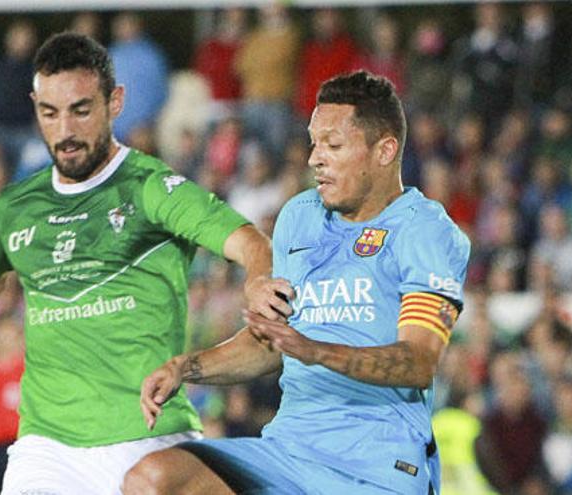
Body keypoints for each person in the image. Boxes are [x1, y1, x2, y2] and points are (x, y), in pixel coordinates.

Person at [0, 32, 287, 494]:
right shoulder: (18, 205)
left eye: (81, 110)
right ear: (35, 106)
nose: (65, 131)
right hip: (47, 446)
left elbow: (248, 241)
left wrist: (259, 280)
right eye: (50, 113)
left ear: (113, 103)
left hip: (146, 436)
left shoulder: (150, 187)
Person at [123, 71, 471, 495]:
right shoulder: (299, 217)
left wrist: (315, 350)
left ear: (384, 151)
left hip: (378, 465)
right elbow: (270, 343)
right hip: (288, 455)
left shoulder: (425, 230)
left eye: (334, 145)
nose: (314, 158)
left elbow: (417, 363)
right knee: (154, 479)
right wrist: (186, 367)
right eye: (314, 142)